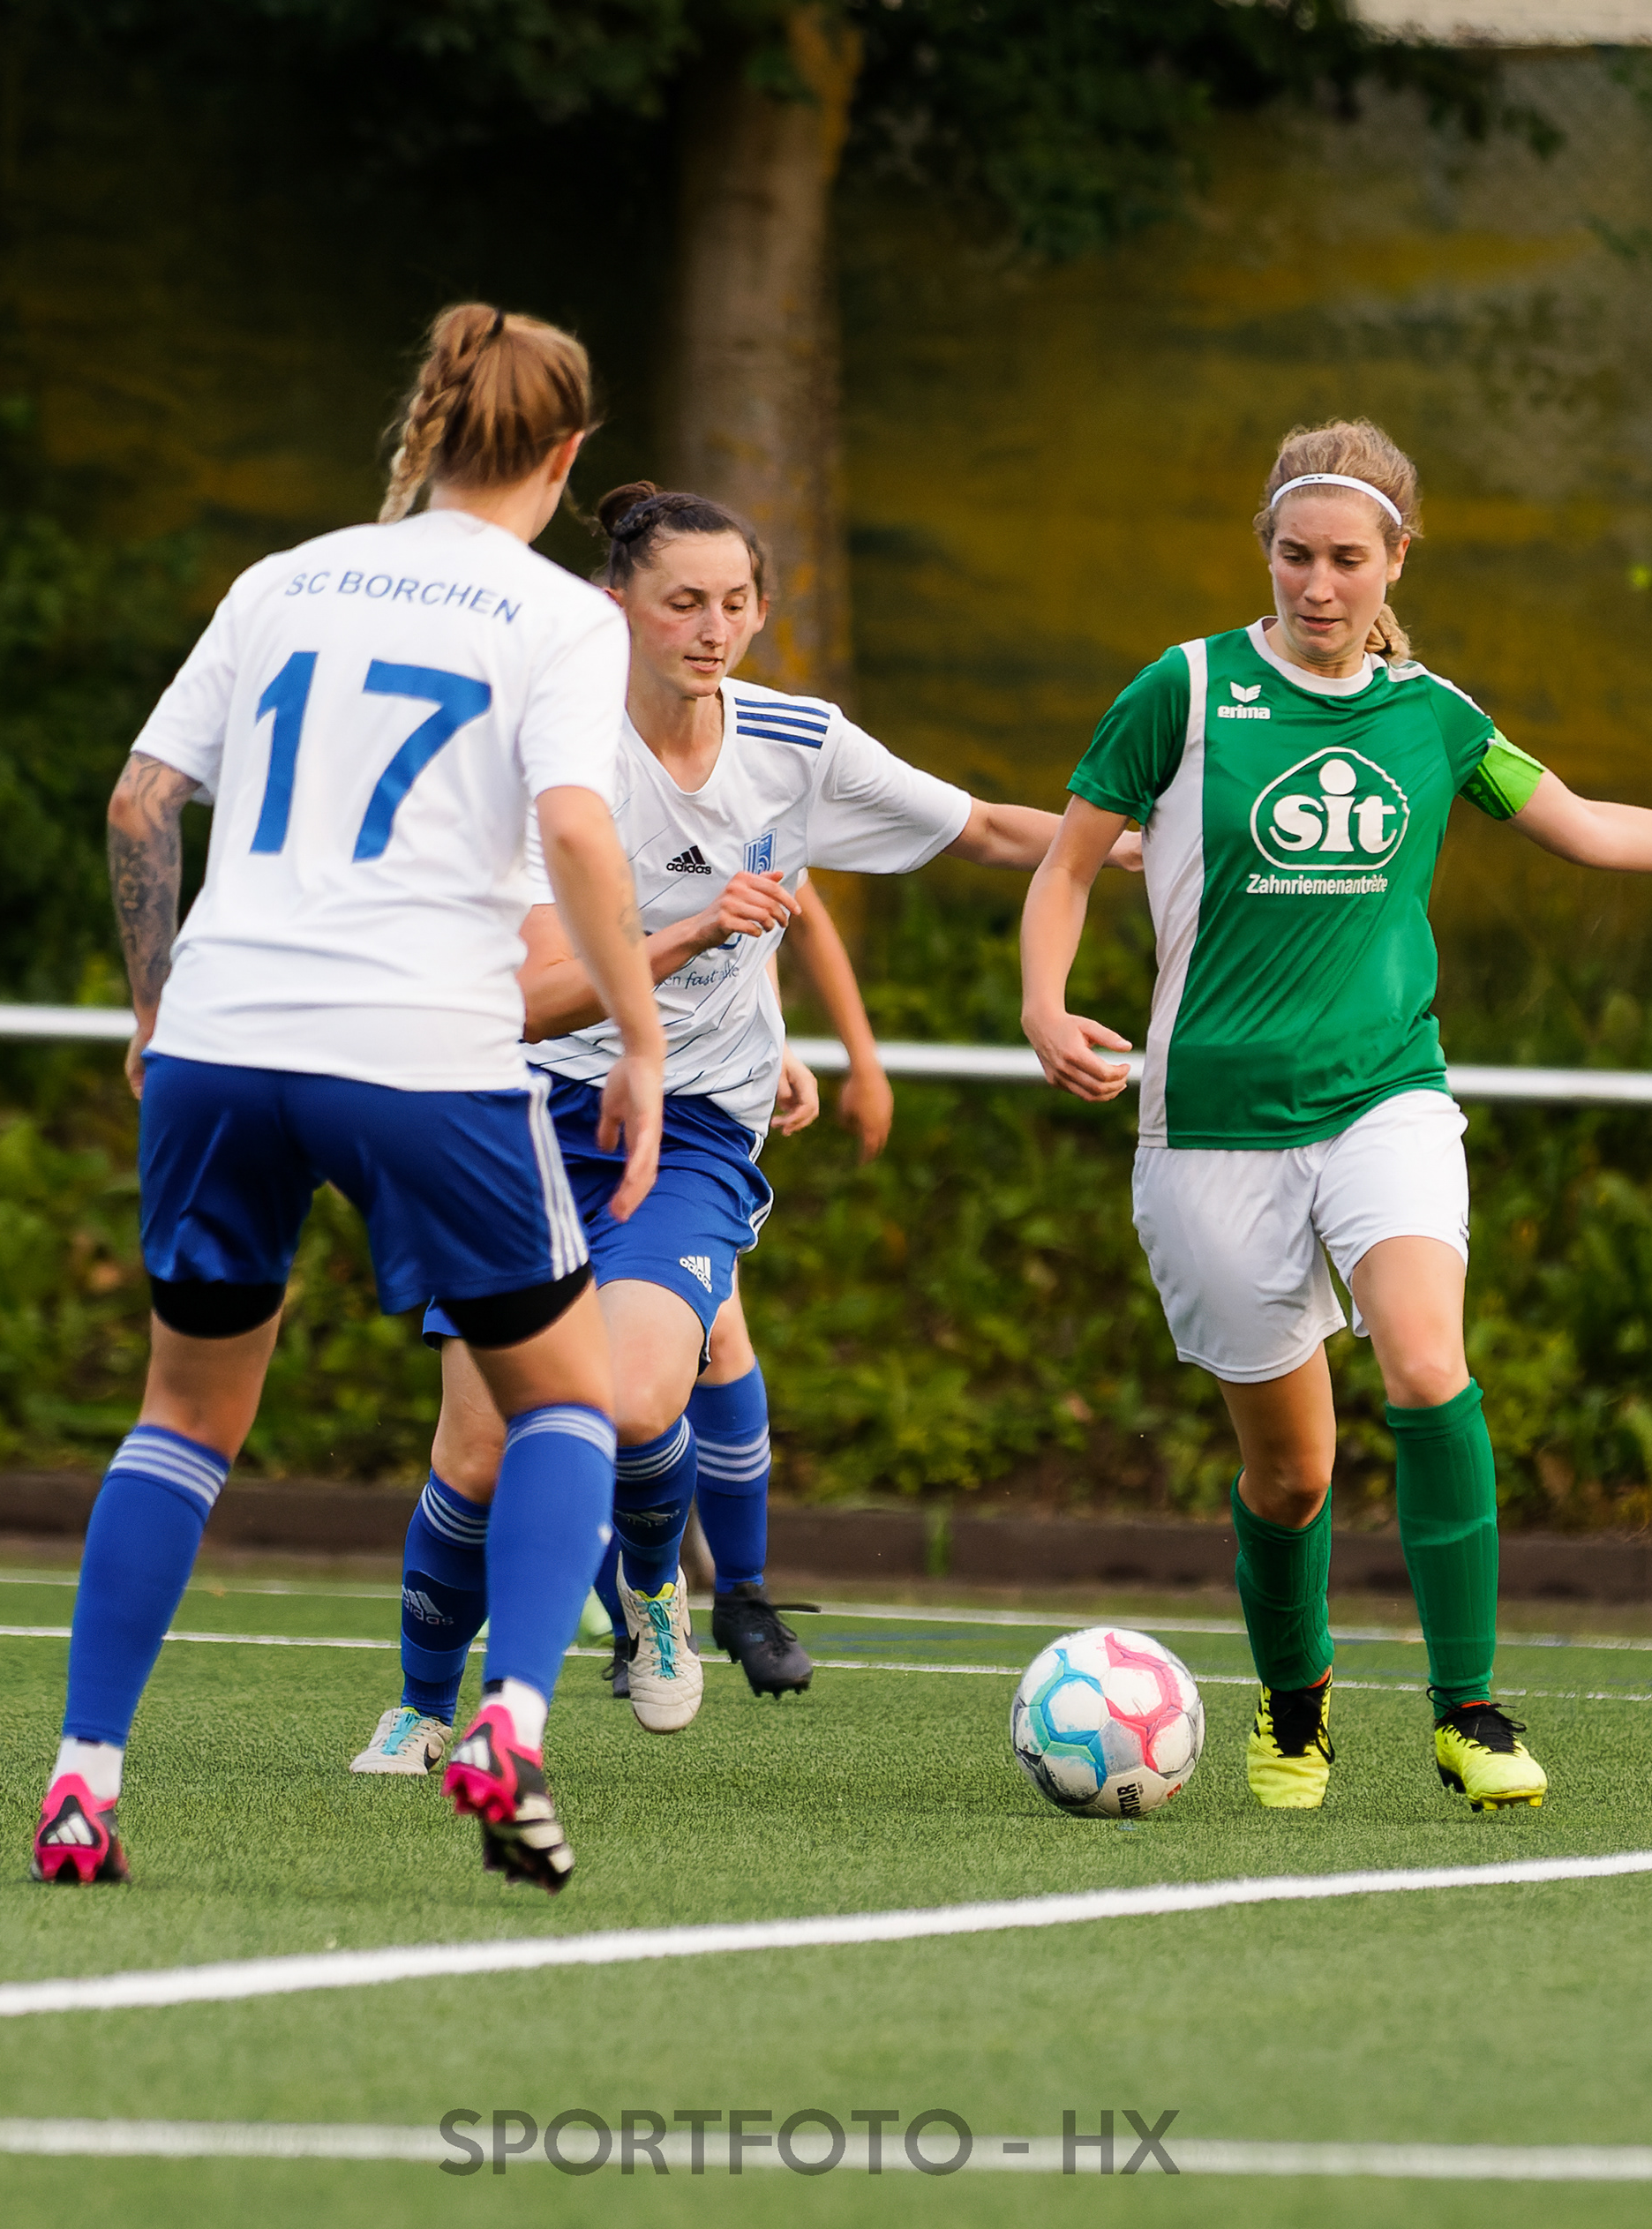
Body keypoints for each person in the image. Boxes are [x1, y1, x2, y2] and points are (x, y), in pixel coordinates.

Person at [1018, 422, 1652, 1813]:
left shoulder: (1436, 718)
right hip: (1214, 1125)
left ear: (1397, 561)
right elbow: (1068, 865)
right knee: (1291, 1478)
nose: (1319, 584)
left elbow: (1587, 827)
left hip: (1387, 1096)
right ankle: (1296, 1704)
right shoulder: (1182, 693)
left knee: (1430, 1367)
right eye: (1295, 556)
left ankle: (1468, 1711)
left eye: (1347, 559)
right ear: (1266, 552)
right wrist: (1044, 1005)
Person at [351, 482, 1130, 1773]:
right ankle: (425, 1709)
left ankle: (656, 1584)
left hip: (691, 1123)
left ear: (762, 609)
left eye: (735, 603)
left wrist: (1162, 845)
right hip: (518, 1115)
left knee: (638, 1394)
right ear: (614, 608)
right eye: (682, 603)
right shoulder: (548, 758)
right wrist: (697, 929)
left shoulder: (795, 741)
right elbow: (534, 999)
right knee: (476, 1451)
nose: (712, 629)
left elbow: (991, 829)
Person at [36, 304, 661, 1894]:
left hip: (222, 1040)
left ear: (430, 426)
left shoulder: (284, 578)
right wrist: (646, 1044)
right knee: (567, 1402)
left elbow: (139, 803)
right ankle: (510, 1724)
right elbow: (577, 832)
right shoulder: (563, 616)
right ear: (569, 454)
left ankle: (83, 1783)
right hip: (419, 1049)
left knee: (182, 1418)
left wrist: (156, 1009)